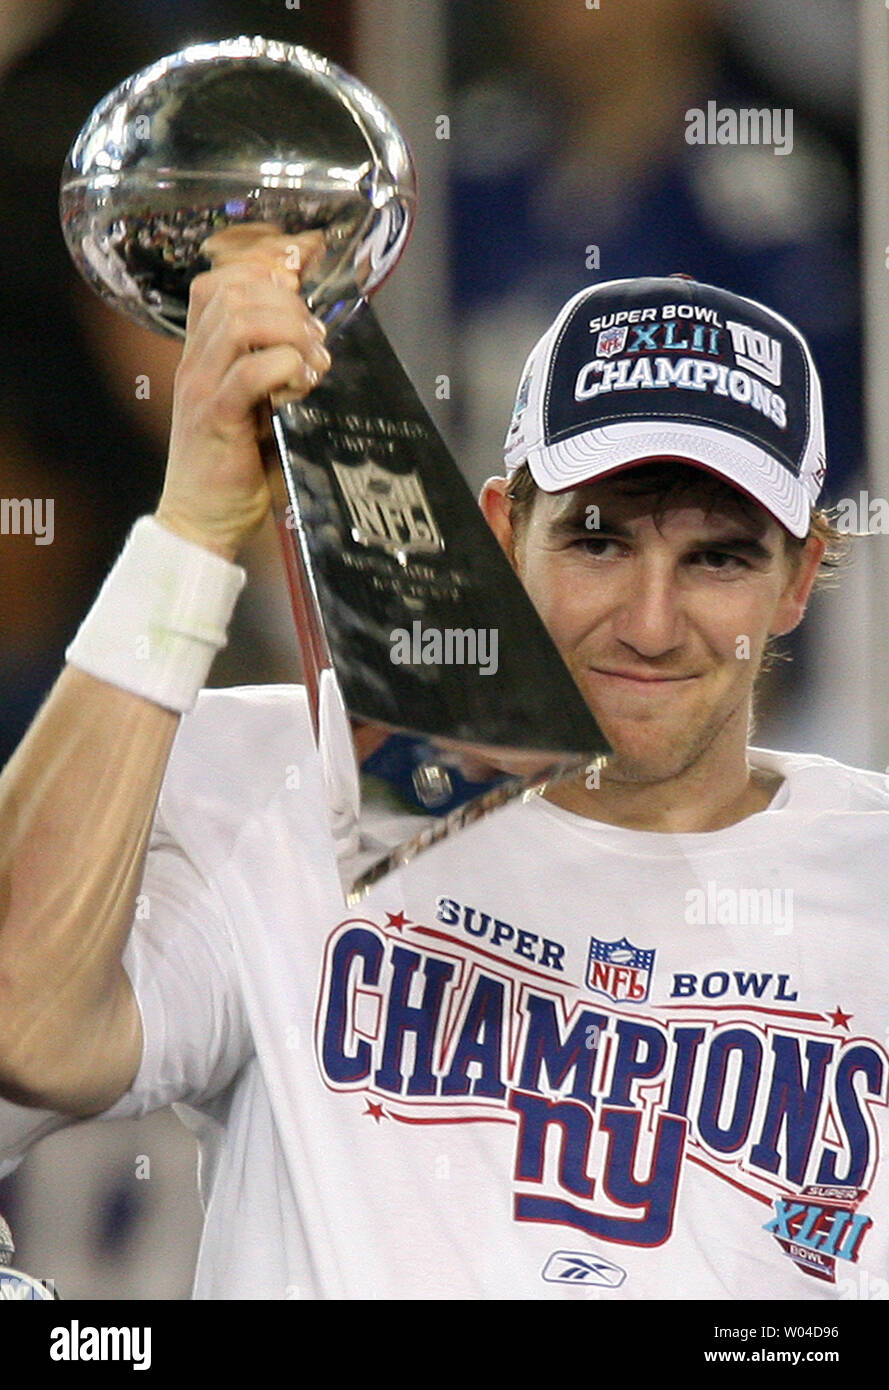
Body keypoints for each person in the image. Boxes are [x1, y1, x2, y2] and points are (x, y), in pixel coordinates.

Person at [0, 242, 885, 1301]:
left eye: (719, 557)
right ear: (506, 532)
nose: (650, 625)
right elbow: (27, 1025)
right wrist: (189, 527)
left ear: (798, 578)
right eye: (598, 543)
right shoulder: (300, 783)